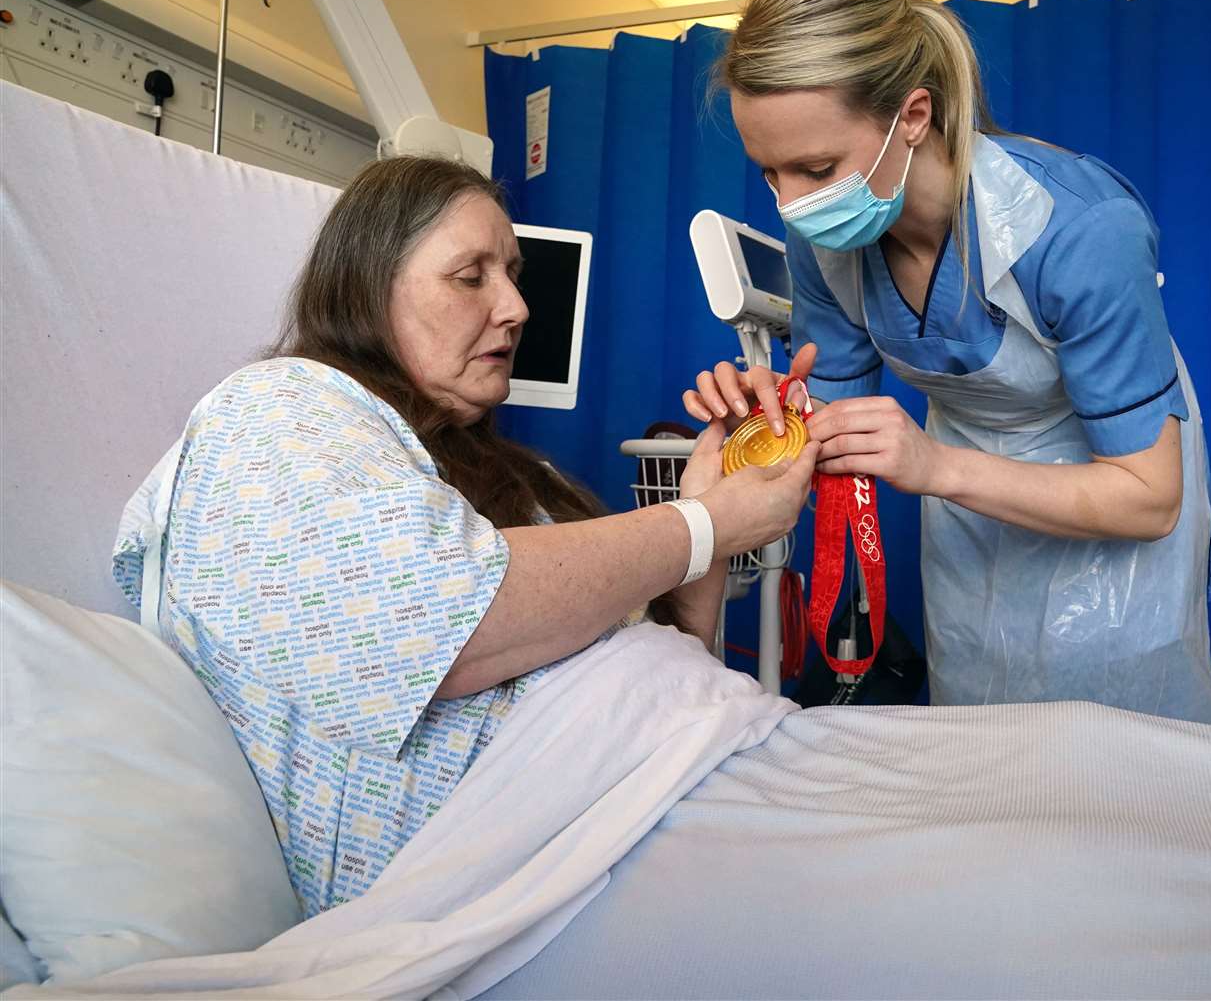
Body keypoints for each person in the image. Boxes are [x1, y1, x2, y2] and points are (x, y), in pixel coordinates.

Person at [112, 156, 816, 917]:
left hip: (655, 784)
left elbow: (646, 659)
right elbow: (453, 621)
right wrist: (705, 527)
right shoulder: (277, 412)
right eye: (471, 276)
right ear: (367, 287)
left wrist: (704, 513)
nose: (516, 306)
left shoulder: (500, 472)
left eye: (511, 274)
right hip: (523, 873)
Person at [685, 0, 1211, 724]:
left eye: (814, 168)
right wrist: (767, 430)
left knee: (1114, 752)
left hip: (1108, 500)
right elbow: (827, 424)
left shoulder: (1076, 230)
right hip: (964, 499)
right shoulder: (824, 240)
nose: (792, 206)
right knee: (982, 736)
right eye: (769, 172)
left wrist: (935, 465)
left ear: (912, 116)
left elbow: (1149, 499)